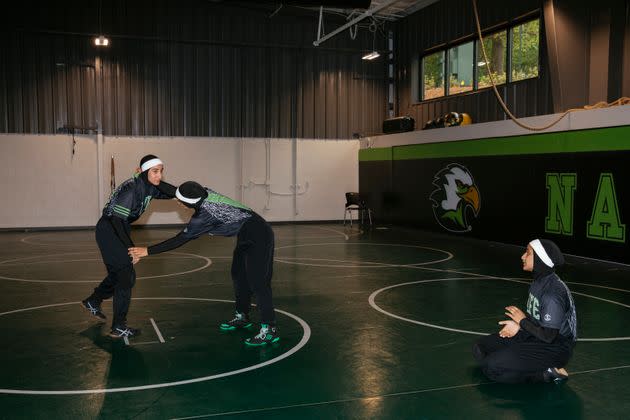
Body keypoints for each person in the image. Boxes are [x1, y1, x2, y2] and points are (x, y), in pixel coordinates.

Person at [128, 181, 278, 346]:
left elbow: (178, 240)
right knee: (239, 275)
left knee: (258, 282)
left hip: (260, 234)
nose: (178, 202)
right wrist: (147, 178)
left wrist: (147, 251)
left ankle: (269, 329)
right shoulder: (203, 192)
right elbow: (174, 191)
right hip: (246, 232)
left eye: (180, 201)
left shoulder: (202, 217)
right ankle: (242, 316)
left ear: (189, 203)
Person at [81, 155, 176, 338]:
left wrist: (190, 194)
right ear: (144, 171)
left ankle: (94, 300)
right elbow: (117, 221)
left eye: (161, 171)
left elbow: (169, 191)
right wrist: (132, 249)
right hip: (110, 229)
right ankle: (118, 326)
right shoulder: (132, 189)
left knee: (119, 274)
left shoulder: (148, 186)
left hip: (116, 228)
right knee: (126, 275)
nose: (159, 175)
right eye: (155, 171)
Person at [472, 239, 577, 383]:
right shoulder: (538, 281)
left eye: (527, 253)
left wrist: (521, 322)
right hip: (536, 335)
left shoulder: (552, 294)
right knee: (480, 347)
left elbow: (549, 336)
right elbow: (537, 321)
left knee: (492, 367)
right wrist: (519, 327)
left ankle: (546, 374)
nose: (522, 256)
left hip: (555, 347)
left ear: (540, 258)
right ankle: (524, 364)